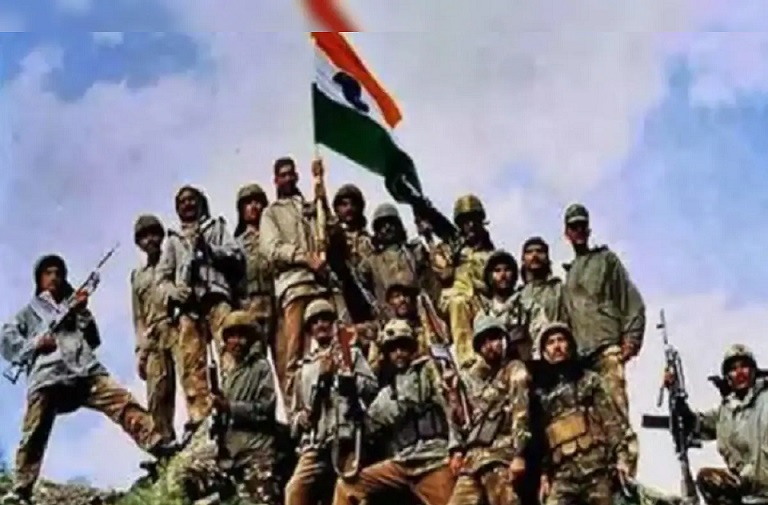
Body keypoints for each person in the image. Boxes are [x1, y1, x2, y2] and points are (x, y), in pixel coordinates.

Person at [0, 255, 176, 504]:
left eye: (58, 273)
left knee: (122, 402)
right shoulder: (29, 313)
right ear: (39, 279)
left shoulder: (72, 306)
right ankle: (21, 489)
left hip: (83, 369)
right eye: (48, 273)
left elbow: (93, 339)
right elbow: (6, 341)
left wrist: (82, 311)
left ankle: (158, 444)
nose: (53, 277)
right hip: (47, 376)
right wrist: (35, 344)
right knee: (34, 432)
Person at [333, 319, 458, 505]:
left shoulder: (429, 371)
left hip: (434, 459)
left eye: (403, 347)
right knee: (347, 486)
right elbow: (369, 425)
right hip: (402, 463)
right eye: (393, 349)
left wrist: (456, 448)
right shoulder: (388, 391)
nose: (399, 354)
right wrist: (350, 394)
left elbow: (451, 407)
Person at [561, 203, 644, 472]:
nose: (579, 231)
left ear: (588, 228)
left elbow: (632, 301)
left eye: (582, 225)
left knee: (617, 415)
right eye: (574, 227)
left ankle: (627, 476)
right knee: (592, 423)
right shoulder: (569, 274)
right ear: (567, 234)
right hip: (580, 360)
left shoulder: (606, 260)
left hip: (606, 350)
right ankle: (605, 477)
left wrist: (631, 340)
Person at [176, 311, 280, 504]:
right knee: (190, 473)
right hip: (232, 458)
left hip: (256, 455)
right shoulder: (229, 378)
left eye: (242, 336)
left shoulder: (260, 367)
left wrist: (229, 407)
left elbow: (265, 410)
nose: (237, 342)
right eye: (232, 336)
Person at [285, 299, 378, 505]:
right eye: (315, 322)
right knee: (294, 490)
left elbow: (371, 389)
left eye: (325, 319)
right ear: (310, 330)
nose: (321, 325)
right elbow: (295, 416)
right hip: (317, 443)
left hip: (348, 438)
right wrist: (304, 418)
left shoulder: (350, 354)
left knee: (350, 489)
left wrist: (349, 378)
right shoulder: (304, 369)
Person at [532, 322, 635, 505]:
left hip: (595, 468)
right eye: (550, 342)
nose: (557, 346)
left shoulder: (589, 380)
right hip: (562, 474)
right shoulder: (542, 394)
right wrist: (544, 475)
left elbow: (611, 421)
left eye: (561, 340)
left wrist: (621, 458)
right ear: (544, 352)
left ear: (570, 346)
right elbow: (543, 440)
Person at [132, 214, 209, 444]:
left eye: (154, 234)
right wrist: (140, 349)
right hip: (153, 334)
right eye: (144, 236)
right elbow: (137, 316)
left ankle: (200, 427)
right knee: (158, 391)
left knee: (190, 377)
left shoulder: (173, 258)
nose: (150, 240)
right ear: (139, 242)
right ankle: (163, 443)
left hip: (176, 324)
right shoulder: (138, 275)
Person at [260, 157, 330, 396]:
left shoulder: (308, 208)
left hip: (320, 285)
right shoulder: (271, 213)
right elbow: (271, 249)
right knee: (295, 352)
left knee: (329, 343)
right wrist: (303, 257)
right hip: (294, 285)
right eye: (283, 175)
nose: (288, 178)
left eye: (292, 174)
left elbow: (326, 231)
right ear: (276, 180)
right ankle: (297, 408)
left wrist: (322, 190)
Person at [667, 345, 768, 505]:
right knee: (708, 479)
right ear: (728, 376)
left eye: (744, 366)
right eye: (733, 369)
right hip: (746, 494)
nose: (740, 372)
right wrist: (677, 401)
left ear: (754, 371)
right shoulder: (726, 411)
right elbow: (695, 424)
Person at [447, 314, 530, 505]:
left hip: (501, 456)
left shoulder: (514, 370)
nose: (489, 346)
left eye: (493, 339)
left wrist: (519, 455)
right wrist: (457, 449)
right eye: (483, 342)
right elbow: (460, 419)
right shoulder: (473, 379)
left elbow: (521, 413)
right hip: (473, 460)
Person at [438, 194, 495, 369]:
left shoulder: (491, 255)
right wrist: (453, 258)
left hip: (482, 303)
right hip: (454, 301)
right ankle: (466, 360)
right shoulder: (448, 250)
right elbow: (443, 276)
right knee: (458, 302)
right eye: (465, 221)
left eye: (474, 220)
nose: (470, 226)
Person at [233, 183, 276, 345]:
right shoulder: (236, 243)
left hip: (276, 301)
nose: (254, 207)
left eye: (258, 202)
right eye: (248, 203)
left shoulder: (274, 237)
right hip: (249, 303)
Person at [517, 237, 568, 358]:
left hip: (556, 353)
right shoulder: (518, 296)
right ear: (523, 260)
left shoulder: (559, 289)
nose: (534, 255)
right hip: (528, 357)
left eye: (539, 251)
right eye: (529, 252)